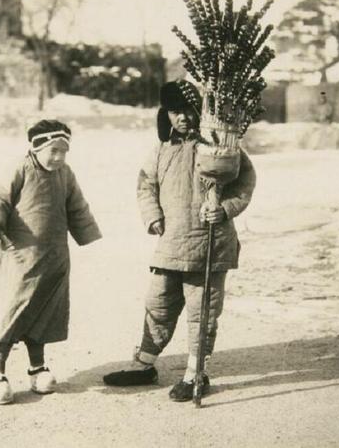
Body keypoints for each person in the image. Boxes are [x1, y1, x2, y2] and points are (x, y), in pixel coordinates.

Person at [103, 80, 256, 402]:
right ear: (166, 115)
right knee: (158, 304)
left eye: (188, 110)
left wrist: (225, 209)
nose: (182, 117)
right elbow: (145, 185)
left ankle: (195, 374)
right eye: (175, 112)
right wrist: (153, 216)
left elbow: (245, 183)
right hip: (171, 242)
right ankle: (144, 364)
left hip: (209, 243)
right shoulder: (162, 149)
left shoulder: (219, 145)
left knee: (202, 312)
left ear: (200, 110)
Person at [0, 119, 101, 405]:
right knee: (11, 311)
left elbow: (77, 206)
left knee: (44, 313)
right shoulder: (19, 168)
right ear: (36, 147)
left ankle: (37, 367)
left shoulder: (65, 174)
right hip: (19, 255)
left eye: (63, 152)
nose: (58, 157)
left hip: (54, 257)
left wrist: (87, 233)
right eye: (53, 150)